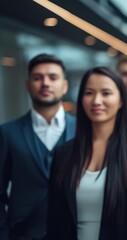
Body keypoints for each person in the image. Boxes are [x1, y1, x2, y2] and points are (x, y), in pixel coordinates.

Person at [46, 67, 127, 240]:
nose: (96, 101)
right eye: (89, 93)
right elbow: (54, 221)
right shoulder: (63, 153)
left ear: (121, 100)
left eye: (106, 93)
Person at [0, 53, 76, 240]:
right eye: (37, 77)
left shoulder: (84, 130)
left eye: (53, 77)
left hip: (74, 232)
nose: (45, 83)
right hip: (22, 233)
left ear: (64, 86)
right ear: (27, 85)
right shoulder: (7, 132)